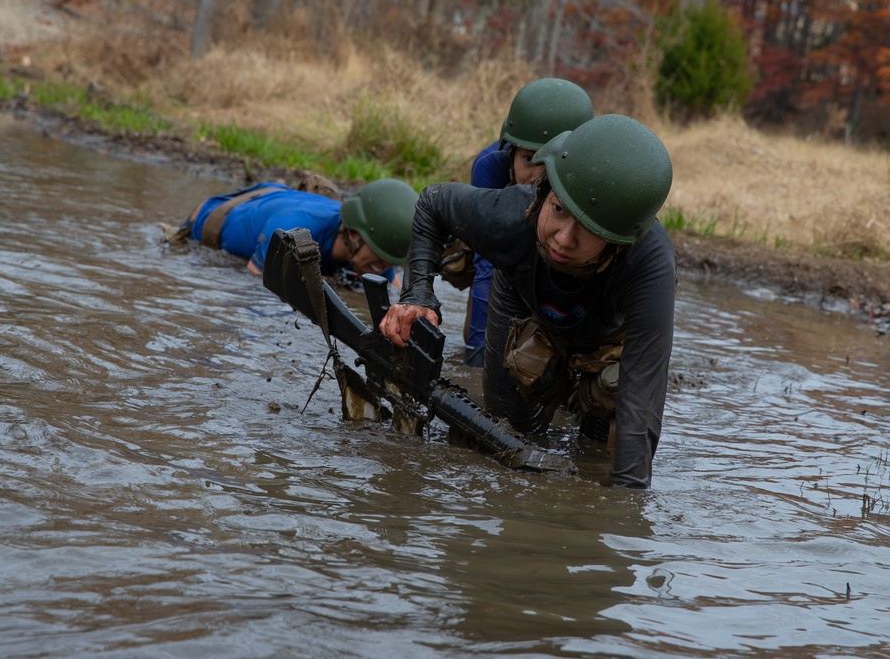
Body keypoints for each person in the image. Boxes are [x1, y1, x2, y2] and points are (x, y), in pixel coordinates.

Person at [379, 114, 675, 489]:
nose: (563, 239)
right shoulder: (511, 212)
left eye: (587, 231)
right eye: (559, 210)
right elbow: (432, 204)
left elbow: (642, 403)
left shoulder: (651, 267)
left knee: (599, 445)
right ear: (542, 193)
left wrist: (622, 512)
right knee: (506, 437)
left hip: (607, 339)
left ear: (617, 243)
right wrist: (418, 295)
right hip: (523, 304)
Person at [462, 78, 594, 368]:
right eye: (529, 159)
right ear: (509, 154)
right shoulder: (489, 169)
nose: (537, 176)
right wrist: (478, 360)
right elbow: (487, 268)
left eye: (550, 162)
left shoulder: (589, 182)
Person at [171, 177, 419, 283]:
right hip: (208, 220)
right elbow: (253, 285)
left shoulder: (378, 248)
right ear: (354, 235)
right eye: (379, 261)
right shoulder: (293, 234)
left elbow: (392, 288)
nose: (384, 268)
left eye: (391, 263)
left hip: (277, 199)